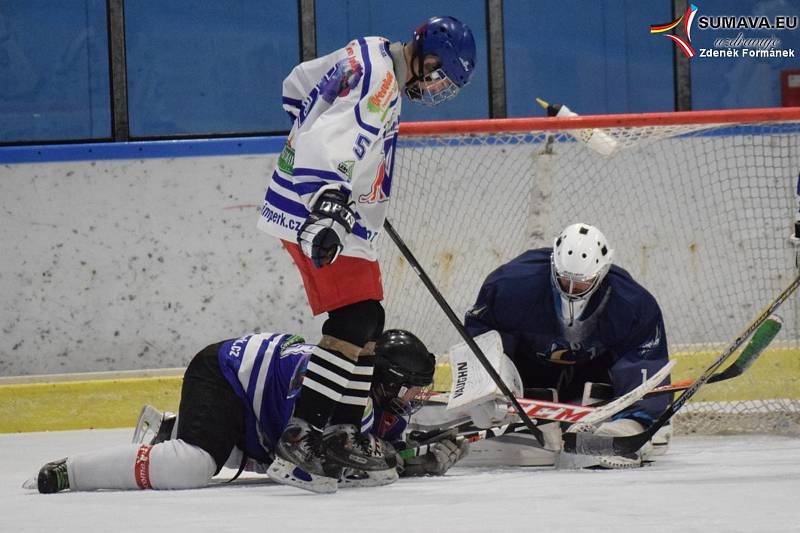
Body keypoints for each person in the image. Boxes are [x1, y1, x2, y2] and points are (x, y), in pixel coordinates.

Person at [255, 16, 476, 488]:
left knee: (369, 319)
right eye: (440, 74)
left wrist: (353, 188)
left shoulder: (369, 51)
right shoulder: (380, 80)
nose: (436, 85)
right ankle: (303, 433)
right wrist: (331, 198)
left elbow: (295, 88)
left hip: (334, 208)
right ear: (428, 55)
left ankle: (341, 432)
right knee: (353, 320)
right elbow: (331, 136)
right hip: (316, 210)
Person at [33, 329, 469, 495]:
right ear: (386, 381)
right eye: (410, 389)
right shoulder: (344, 395)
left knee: (245, 455)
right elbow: (345, 461)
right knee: (192, 466)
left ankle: (172, 427)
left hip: (256, 414)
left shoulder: (362, 392)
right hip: (223, 377)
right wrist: (405, 463)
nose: (414, 398)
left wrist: (412, 454)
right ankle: (71, 471)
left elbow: (372, 447)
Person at [463, 223, 672, 468]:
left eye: (582, 283)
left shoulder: (633, 303)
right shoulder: (511, 285)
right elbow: (482, 336)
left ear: (602, 271)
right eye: (564, 280)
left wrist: (638, 418)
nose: (572, 290)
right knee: (489, 380)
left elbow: (645, 361)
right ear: (554, 263)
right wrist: (486, 389)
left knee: (652, 429)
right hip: (529, 373)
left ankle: (629, 425)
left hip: (591, 374)